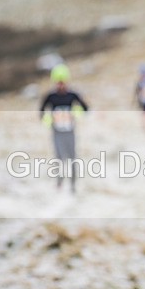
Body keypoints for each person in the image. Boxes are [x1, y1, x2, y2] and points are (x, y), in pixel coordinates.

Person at [39, 63, 89, 193]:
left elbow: (85, 108)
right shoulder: (51, 97)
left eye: (63, 82)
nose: (60, 85)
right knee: (59, 158)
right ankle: (59, 182)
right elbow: (42, 112)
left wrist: (76, 113)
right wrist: (48, 119)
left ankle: (73, 184)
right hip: (57, 132)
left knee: (72, 158)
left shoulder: (72, 95)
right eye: (58, 82)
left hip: (70, 132)